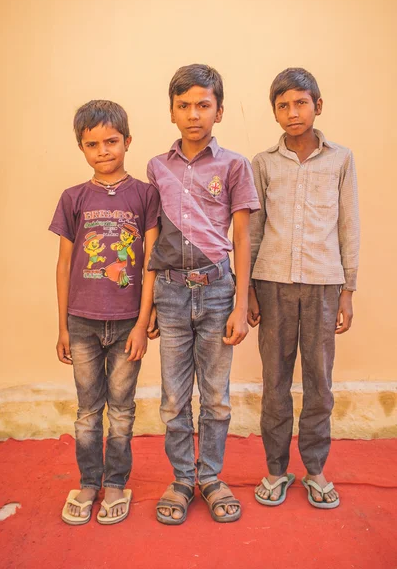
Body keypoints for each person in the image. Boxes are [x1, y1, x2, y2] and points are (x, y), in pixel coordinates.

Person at [147, 64, 260, 524]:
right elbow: (150, 239)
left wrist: (239, 303)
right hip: (171, 294)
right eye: (184, 105)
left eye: (203, 105)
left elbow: (244, 237)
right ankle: (180, 478)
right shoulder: (157, 167)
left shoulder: (234, 165)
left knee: (215, 397)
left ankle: (210, 477)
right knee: (174, 399)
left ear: (219, 110)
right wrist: (148, 303)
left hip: (217, 293)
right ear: (172, 111)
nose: (194, 114)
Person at [248, 68, 360, 509]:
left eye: (300, 103)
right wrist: (250, 290)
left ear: (318, 105)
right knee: (274, 382)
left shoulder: (341, 159)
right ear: (274, 111)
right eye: (282, 105)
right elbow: (253, 230)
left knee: (319, 381)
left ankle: (315, 469)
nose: (292, 113)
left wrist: (347, 290)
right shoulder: (263, 163)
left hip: (323, 284)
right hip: (272, 283)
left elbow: (348, 225)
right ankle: (276, 470)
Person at [49, 100, 159, 525]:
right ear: (81, 148)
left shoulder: (145, 194)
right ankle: (89, 482)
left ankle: (116, 482)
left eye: (111, 141)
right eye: (91, 144)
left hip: (127, 321)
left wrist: (144, 317)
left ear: (127, 142)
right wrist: (62, 326)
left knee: (123, 409)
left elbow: (150, 260)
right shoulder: (72, 198)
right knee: (87, 411)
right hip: (81, 321)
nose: (103, 150)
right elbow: (64, 264)